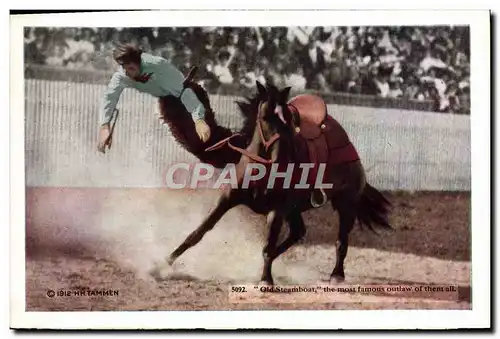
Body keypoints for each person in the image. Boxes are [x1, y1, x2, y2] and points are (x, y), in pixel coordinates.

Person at [97, 43, 211, 153]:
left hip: (189, 92)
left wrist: (199, 119)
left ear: (139, 63)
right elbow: (109, 96)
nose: (128, 74)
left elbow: (184, 91)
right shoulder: (123, 75)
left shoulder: (158, 66)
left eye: (131, 68)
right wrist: (104, 125)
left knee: (204, 126)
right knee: (187, 139)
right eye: (125, 69)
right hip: (167, 102)